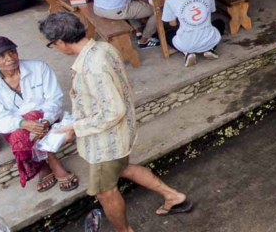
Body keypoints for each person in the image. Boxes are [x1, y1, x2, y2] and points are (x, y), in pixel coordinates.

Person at [38, 13, 192, 231]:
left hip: (105, 145)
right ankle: (173, 196)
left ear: (61, 42)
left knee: (105, 191)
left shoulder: (92, 68)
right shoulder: (102, 48)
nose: (54, 48)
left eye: (51, 44)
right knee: (124, 168)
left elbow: (112, 111)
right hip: (120, 134)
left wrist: (75, 127)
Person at [0, 37, 78, 192]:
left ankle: (42, 166)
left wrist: (46, 120)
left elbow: (54, 98)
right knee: (20, 134)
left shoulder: (39, 68)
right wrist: (23, 123)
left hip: (46, 119)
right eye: (1, 56)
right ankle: (51, 160)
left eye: (12, 52)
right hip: (16, 127)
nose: (10, 59)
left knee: (34, 118)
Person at [162, 0, 225, 67]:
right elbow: (212, 11)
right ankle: (210, 49)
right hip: (208, 40)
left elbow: (172, 24)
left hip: (186, 44)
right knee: (219, 23)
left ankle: (187, 53)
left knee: (168, 34)